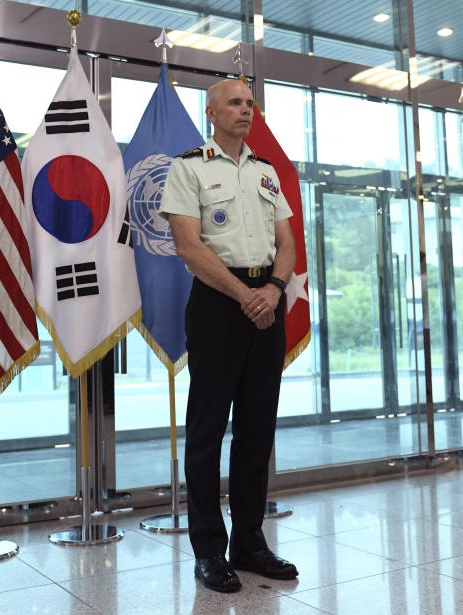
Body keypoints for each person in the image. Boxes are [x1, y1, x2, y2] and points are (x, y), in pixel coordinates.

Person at [159, 78, 298, 593]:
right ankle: (209, 552)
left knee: (257, 427)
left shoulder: (265, 172)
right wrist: (247, 296)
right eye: (235, 103)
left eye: (249, 103)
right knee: (208, 428)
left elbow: (286, 241)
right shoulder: (188, 166)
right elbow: (189, 247)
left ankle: (250, 543)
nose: (246, 109)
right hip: (221, 303)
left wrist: (275, 289)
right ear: (212, 112)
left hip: (269, 300)